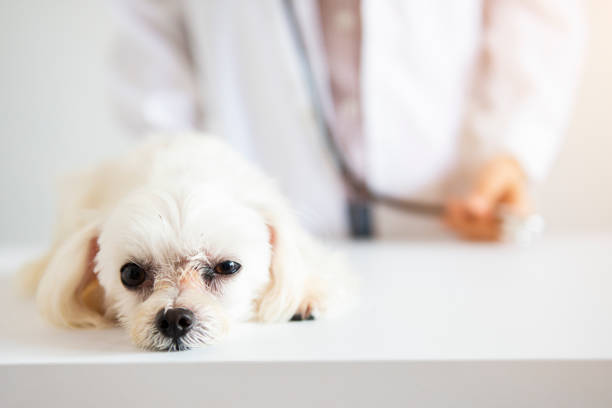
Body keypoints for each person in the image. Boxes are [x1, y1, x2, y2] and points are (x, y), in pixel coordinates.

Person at [110, 0, 585, 240]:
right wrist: (181, 184)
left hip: (449, 210)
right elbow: (150, 44)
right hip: (251, 214)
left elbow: (537, 15)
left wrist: (513, 149)